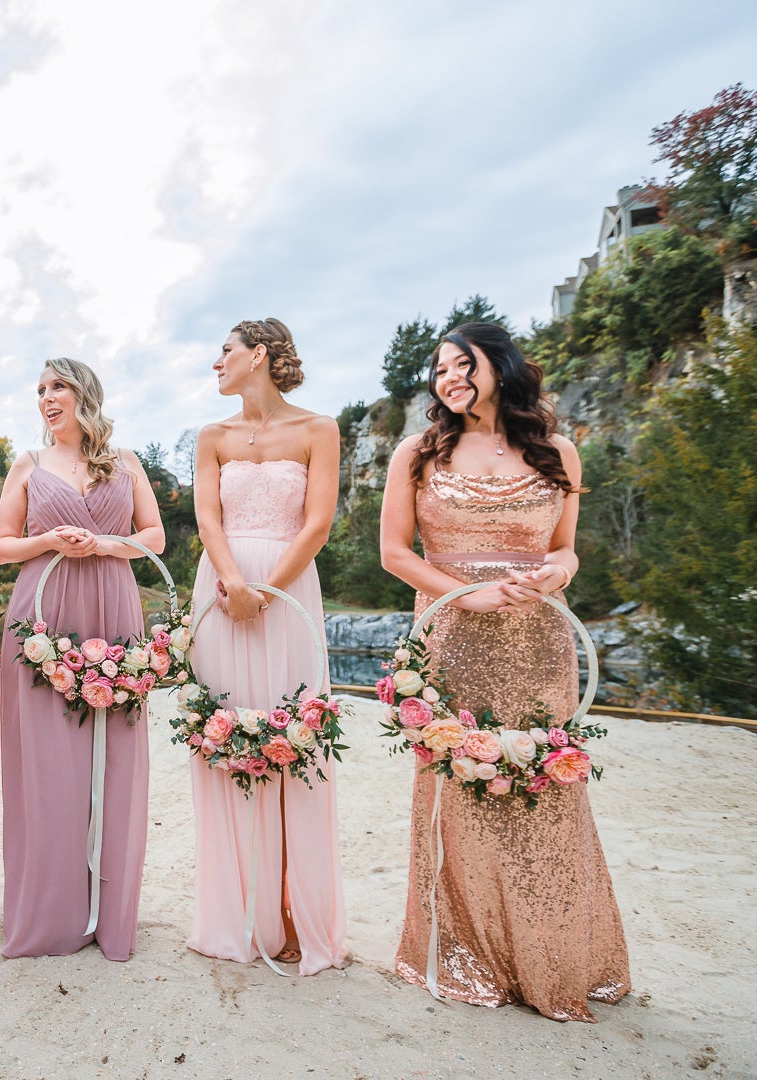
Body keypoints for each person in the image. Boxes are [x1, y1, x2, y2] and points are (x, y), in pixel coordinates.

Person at [379, 321, 629, 1022]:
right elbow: (395, 553)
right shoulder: (417, 453)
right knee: (462, 787)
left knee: (542, 791)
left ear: (500, 366)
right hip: (453, 638)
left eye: (463, 364)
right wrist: (465, 593)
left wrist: (556, 574)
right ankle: (468, 952)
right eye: (440, 369)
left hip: (538, 643)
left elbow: (566, 549)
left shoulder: (558, 451)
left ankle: (554, 955)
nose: (449, 378)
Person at [187, 317, 347, 973]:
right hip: (221, 591)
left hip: (288, 592)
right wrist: (232, 583)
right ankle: (238, 914)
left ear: (258, 354)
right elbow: (207, 518)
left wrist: (268, 591)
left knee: (291, 733)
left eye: (224, 350)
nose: (215, 362)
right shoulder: (212, 436)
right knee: (223, 733)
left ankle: (291, 915)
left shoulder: (318, 429)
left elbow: (318, 523)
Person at [0, 357, 165, 961]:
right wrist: (48, 540)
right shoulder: (28, 464)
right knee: (46, 760)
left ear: (84, 393)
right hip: (43, 609)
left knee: (114, 755)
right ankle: (52, 915)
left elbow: (155, 537)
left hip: (112, 606)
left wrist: (108, 543)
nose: (46, 397)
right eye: (40, 389)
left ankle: (108, 916)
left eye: (57, 386)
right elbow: (1, 547)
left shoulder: (126, 462)